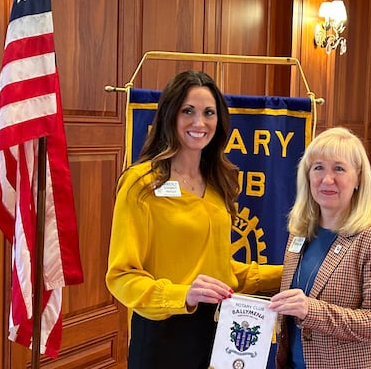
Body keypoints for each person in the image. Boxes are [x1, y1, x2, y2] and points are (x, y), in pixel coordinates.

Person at [105, 70, 282, 368]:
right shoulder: (141, 184)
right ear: (170, 115)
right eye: (188, 111)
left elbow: (221, 271)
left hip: (219, 329)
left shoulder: (218, 184)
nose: (199, 123)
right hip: (165, 332)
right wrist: (182, 294)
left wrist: (290, 270)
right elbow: (121, 277)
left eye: (208, 112)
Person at [268, 127, 371, 369]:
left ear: (359, 177)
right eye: (318, 167)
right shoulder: (300, 230)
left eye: (339, 168)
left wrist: (311, 310)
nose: (327, 179)